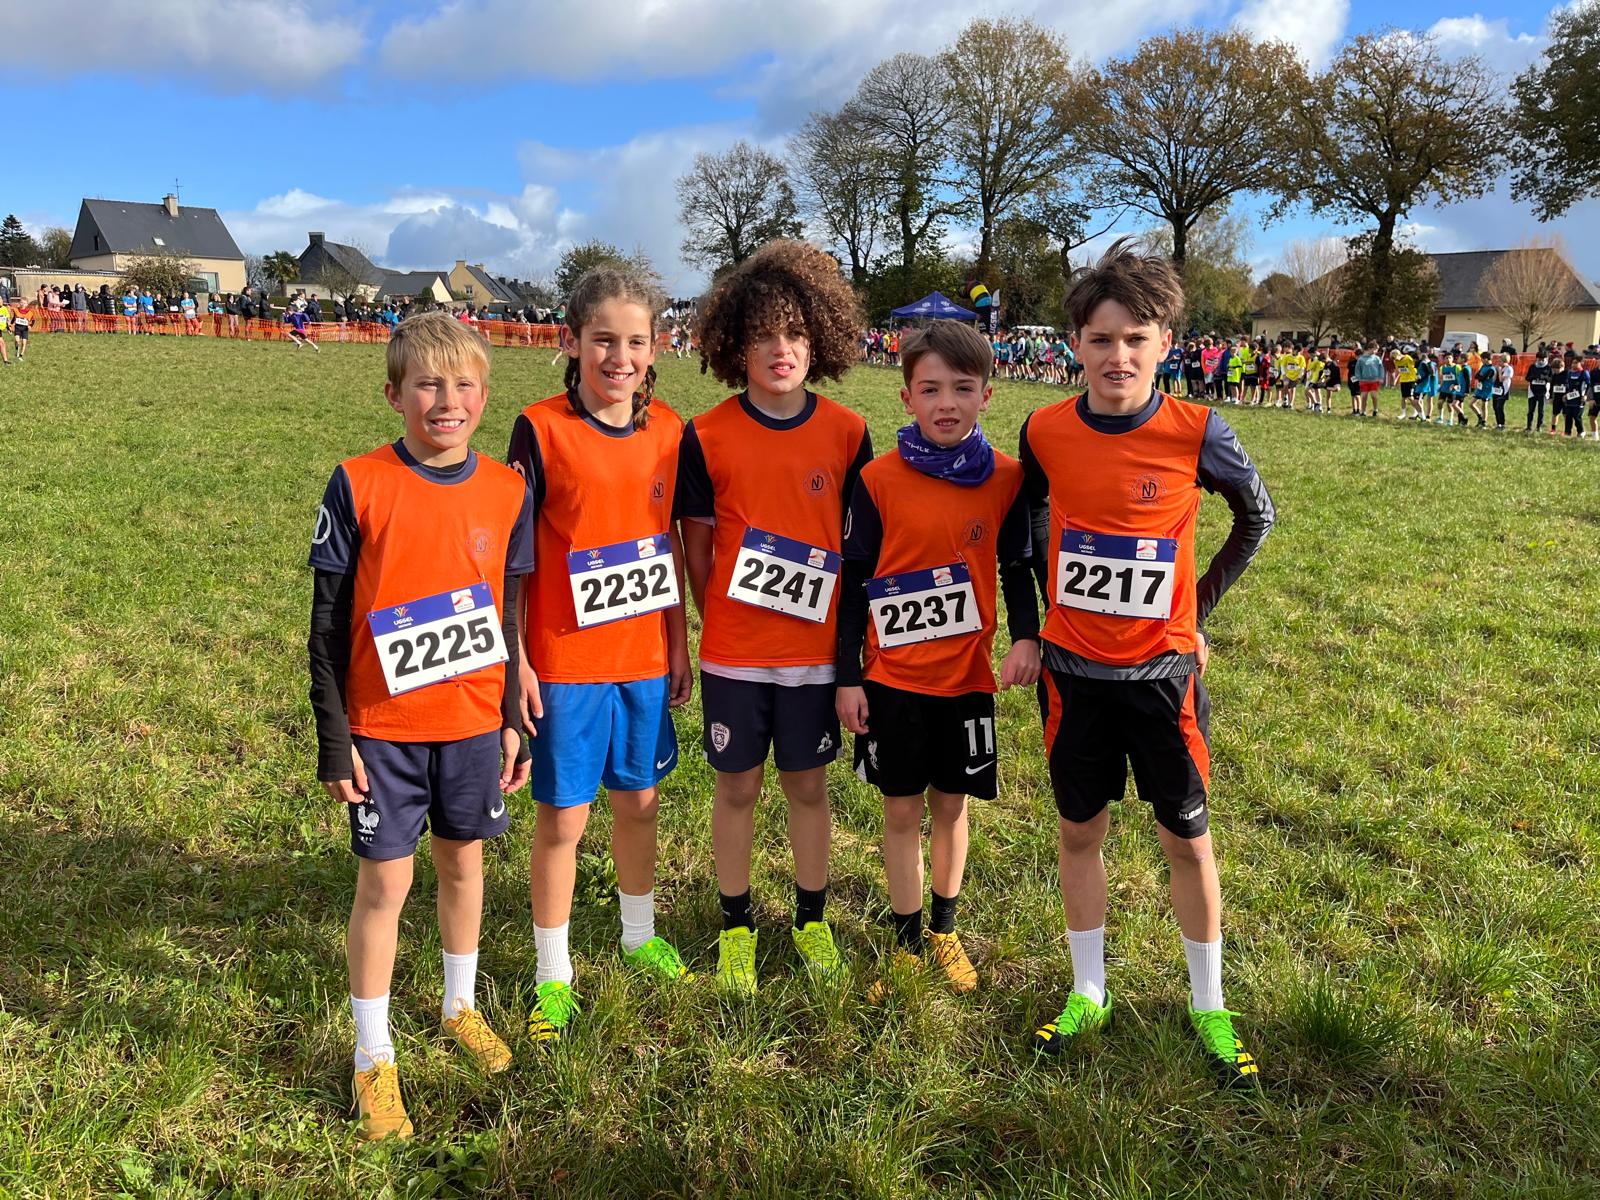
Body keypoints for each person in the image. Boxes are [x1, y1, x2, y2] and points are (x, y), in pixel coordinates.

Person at [1018, 239, 1274, 1089]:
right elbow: (1027, 524)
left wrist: (1195, 608)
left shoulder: (1199, 430)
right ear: (1075, 344)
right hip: (1073, 676)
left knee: (1187, 841)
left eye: (1135, 338)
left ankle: (1209, 1003)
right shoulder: (1045, 429)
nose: (1117, 356)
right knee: (1078, 832)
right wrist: (1038, 613)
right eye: (1100, 339)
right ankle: (1088, 989)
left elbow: (1256, 517)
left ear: (1166, 342)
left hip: (1164, 679)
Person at [307, 312, 534, 1141]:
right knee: (385, 886)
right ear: (394, 393)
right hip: (384, 733)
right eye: (429, 385)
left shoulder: (508, 490)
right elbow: (327, 626)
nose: (447, 401)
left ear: (485, 395)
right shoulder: (357, 482)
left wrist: (510, 717)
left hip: (471, 726)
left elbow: (508, 614)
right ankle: (372, 1054)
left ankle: (458, 1005)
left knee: (464, 867)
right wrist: (337, 738)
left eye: (464, 384)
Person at [506, 265, 694, 1044]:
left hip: (643, 659)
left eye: (635, 342)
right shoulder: (539, 428)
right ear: (571, 341)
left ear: (657, 348)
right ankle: (553, 973)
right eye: (603, 340)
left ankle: (638, 934)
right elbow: (515, 557)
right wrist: (517, 657)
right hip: (565, 663)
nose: (620, 357)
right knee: (564, 818)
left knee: (640, 804)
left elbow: (670, 542)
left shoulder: (673, 431)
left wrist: (678, 640)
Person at [678, 240, 871, 995]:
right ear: (736, 345)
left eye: (794, 333)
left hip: (814, 658)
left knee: (809, 788)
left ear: (818, 338)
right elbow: (698, 552)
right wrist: (724, 621)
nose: (780, 349)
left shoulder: (849, 433)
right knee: (736, 790)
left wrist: (850, 651)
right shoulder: (706, 434)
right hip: (734, 654)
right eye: (762, 335)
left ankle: (811, 918)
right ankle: (736, 925)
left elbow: (860, 554)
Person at [836, 321, 1038, 1000]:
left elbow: (1016, 567)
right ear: (906, 398)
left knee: (951, 807)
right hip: (892, 682)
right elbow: (854, 581)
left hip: (966, 681)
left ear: (986, 394)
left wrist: (1026, 636)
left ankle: (945, 931)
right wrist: (847, 676)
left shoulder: (1005, 478)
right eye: (930, 389)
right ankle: (904, 940)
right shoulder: (876, 480)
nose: (946, 402)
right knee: (900, 813)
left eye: (961, 387)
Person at [1352, 342, 1384, 417]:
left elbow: (1381, 368)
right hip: (1364, 381)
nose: (1376, 351)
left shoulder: (1376, 358)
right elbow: (1357, 369)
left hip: (1374, 380)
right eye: (1375, 349)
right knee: (1364, 396)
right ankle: (1363, 411)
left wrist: (1381, 378)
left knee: (1374, 396)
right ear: (1370, 348)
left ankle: (1375, 410)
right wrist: (1359, 378)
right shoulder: (1361, 359)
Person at [1524, 347, 1551, 433]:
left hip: (1543, 391)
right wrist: (1533, 377)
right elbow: (1527, 378)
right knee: (1531, 410)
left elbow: (1551, 379)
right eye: (1539, 359)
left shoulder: (1548, 368)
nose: (1541, 361)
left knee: (1541, 410)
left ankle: (1539, 427)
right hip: (1532, 391)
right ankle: (1529, 427)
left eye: (1543, 359)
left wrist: (1544, 377)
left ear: (1546, 359)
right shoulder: (1533, 367)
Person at [1392, 345, 1418, 419]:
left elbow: (1414, 366)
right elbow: (1399, 371)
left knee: (1410, 397)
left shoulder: (1408, 358)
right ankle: (1403, 414)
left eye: (1396, 358)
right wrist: (1396, 380)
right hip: (1403, 380)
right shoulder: (1396, 361)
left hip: (1411, 380)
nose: (1396, 360)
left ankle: (1416, 411)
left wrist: (1416, 375)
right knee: (1403, 398)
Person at [9, 296, 31, 360]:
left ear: (27, 304)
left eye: (24, 303)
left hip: (25, 329)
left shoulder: (29, 312)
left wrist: (30, 325)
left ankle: (21, 356)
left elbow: (33, 320)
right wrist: (11, 325)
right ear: (19, 303)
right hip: (18, 328)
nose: (23, 304)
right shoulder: (16, 310)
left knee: (24, 342)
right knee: (17, 340)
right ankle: (17, 351)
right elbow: (14, 318)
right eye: (21, 302)